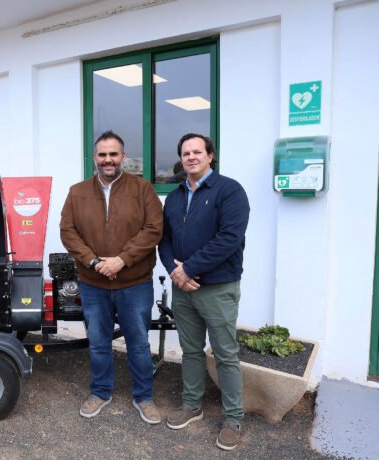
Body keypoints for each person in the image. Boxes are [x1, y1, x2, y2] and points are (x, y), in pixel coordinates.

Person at [60, 130, 164, 424]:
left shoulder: (142, 189)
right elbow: (68, 231)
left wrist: (122, 260)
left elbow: (154, 229)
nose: (108, 160)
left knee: (139, 343)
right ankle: (101, 391)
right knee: (98, 342)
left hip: (135, 284)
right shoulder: (77, 192)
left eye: (113, 154)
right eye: (102, 154)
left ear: (123, 157)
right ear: (95, 158)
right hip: (93, 284)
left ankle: (144, 396)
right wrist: (93, 261)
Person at [158, 133, 250, 451]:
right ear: (181, 159)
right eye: (186, 153)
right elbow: (164, 239)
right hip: (183, 288)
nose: (191, 157)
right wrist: (174, 271)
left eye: (198, 151)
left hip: (218, 288)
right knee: (191, 350)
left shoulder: (230, 191)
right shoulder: (174, 196)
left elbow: (229, 238)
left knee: (225, 354)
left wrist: (189, 268)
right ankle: (191, 405)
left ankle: (233, 419)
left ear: (211, 156)